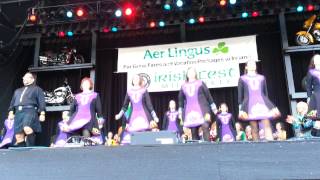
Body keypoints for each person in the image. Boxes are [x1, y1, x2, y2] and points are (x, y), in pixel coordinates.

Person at [238, 60, 280, 141]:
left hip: (262, 103)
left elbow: (265, 94)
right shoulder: (242, 78)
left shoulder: (261, 78)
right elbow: (240, 96)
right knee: (254, 128)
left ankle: (271, 145)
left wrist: (269, 106)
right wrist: (241, 109)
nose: (252, 65)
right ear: (246, 67)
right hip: (249, 104)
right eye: (250, 64)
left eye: (254, 64)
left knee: (267, 125)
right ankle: (257, 148)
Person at [54, 77, 103, 147]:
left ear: (90, 85)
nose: (85, 85)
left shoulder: (95, 95)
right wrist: (66, 121)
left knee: (86, 135)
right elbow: (71, 110)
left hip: (89, 121)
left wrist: (99, 124)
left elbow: (99, 111)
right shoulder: (77, 96)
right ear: (81, 86)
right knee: (64, 129)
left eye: (87, 83)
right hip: (76, 120)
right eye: (83, 83)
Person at [115, 74, 159, 144]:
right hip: (133, 116)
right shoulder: (129, 91)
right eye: (134, 78)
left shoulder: (144, 90)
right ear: (132, 80)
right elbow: (125, 106)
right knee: (131, 136)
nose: (135, 80)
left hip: (144, 115)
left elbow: (149, 105)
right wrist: (119, 115)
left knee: (145, 136)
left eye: (137, 78)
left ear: (139, 80)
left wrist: (154, 116)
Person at [178, 67, 218, 141]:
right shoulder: (183, 86)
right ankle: (197, 150)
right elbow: (180, 100)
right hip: (189, 111)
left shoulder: (200, 83)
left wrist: (214, 108)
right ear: (187, 74)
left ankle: (208, 146)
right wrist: (180, 113)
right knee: (193, 131)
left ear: (195, 73)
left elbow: (208, 96)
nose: (191, 73)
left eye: (192, 72)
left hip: (203, 109)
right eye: (189, 72)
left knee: (205, 126)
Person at [8, 72, 46, 147]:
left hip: (30, 111)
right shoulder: (17, 91)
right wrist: (11, 112)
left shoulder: (37, 89)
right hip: (18, 112)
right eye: (24, 77)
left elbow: (42, 101)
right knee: (18, 135)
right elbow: (12, 103)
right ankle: (23, 153)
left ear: (32, 80)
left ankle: (30, 147)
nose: (24, 79)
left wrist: (42, 113)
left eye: (27, 77)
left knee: (27, 128)